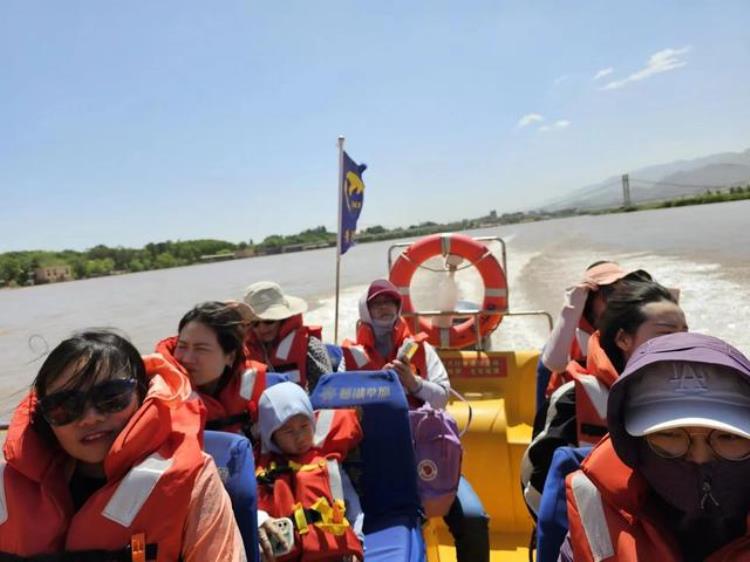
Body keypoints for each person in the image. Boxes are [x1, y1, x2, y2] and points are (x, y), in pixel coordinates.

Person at [0, 330, 245, 561]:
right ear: (45, 419)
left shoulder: (195, 481)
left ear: (142, 396)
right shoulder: (5, 486)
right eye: (64, 406)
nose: (90, 417)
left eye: (111, 397)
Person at [561, 332, 750, 562]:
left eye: (729, 437)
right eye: (670, 434)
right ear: (632, 442)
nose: (700, 457)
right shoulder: (594, 506)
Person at [341, 278, 489, 562]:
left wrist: (413, 382)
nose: (384, 308)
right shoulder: (349, 357)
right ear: (365, 310)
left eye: (390, 302)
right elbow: (339, 403)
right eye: (377, 303)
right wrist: (374, 387)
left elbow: (443, 397)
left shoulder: (421, 349)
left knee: (473, 519)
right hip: (374, 462)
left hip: (427, 458)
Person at [522, 278, 687, 518]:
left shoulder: (696, 400)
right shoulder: (572, 400)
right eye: (665, 333)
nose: (680, 343)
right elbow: (537, 484)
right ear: (623, 340)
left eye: (684, 333)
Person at [255, 382, 363, 562]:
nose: (299, 437)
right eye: (288, 431)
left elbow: (352, 505)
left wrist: (357, 540)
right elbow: (254, 511)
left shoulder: (326, 459)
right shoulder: (262, 472)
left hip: (334, 554)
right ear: (271, 436)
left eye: (304, 426)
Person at [538, 262, 650, 406]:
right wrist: (572, 305)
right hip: (574, 408)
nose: (618, 300)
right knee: (542, 366)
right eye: (610, 293)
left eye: (625, 292)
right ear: (589, 299)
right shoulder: (572, 330)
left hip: (622, 406)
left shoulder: (634, 325)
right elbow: (555, 364)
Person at [156, 301, 267, 438]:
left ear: (230, 357)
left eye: (201, 349)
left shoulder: (259, 385)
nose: (186, 359)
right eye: (182, 346)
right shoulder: (157, 394)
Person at [242, 281, 332, 393]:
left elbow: (326, 390)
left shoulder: (310, 346)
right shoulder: (239, 353)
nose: (262, 328)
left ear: (282, 319)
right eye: (255, 323)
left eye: (269, 321)